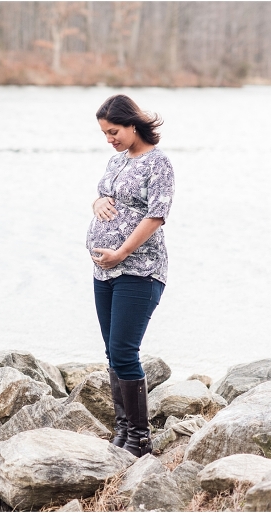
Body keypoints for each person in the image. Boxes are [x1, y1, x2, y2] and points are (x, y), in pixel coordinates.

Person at [86, 94, 174, 457]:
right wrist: (95, 202)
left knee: (124, 351)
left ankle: (140, 437)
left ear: (133, 124)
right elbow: (106, 197)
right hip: (104, 272)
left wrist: (121, 251)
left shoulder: (159, 163)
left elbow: (156, 215)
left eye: (114, 131)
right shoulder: (115, 161)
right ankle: (123, 430)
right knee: (112, 352)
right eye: (105, 133)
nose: (110, 138)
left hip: (140, 270)